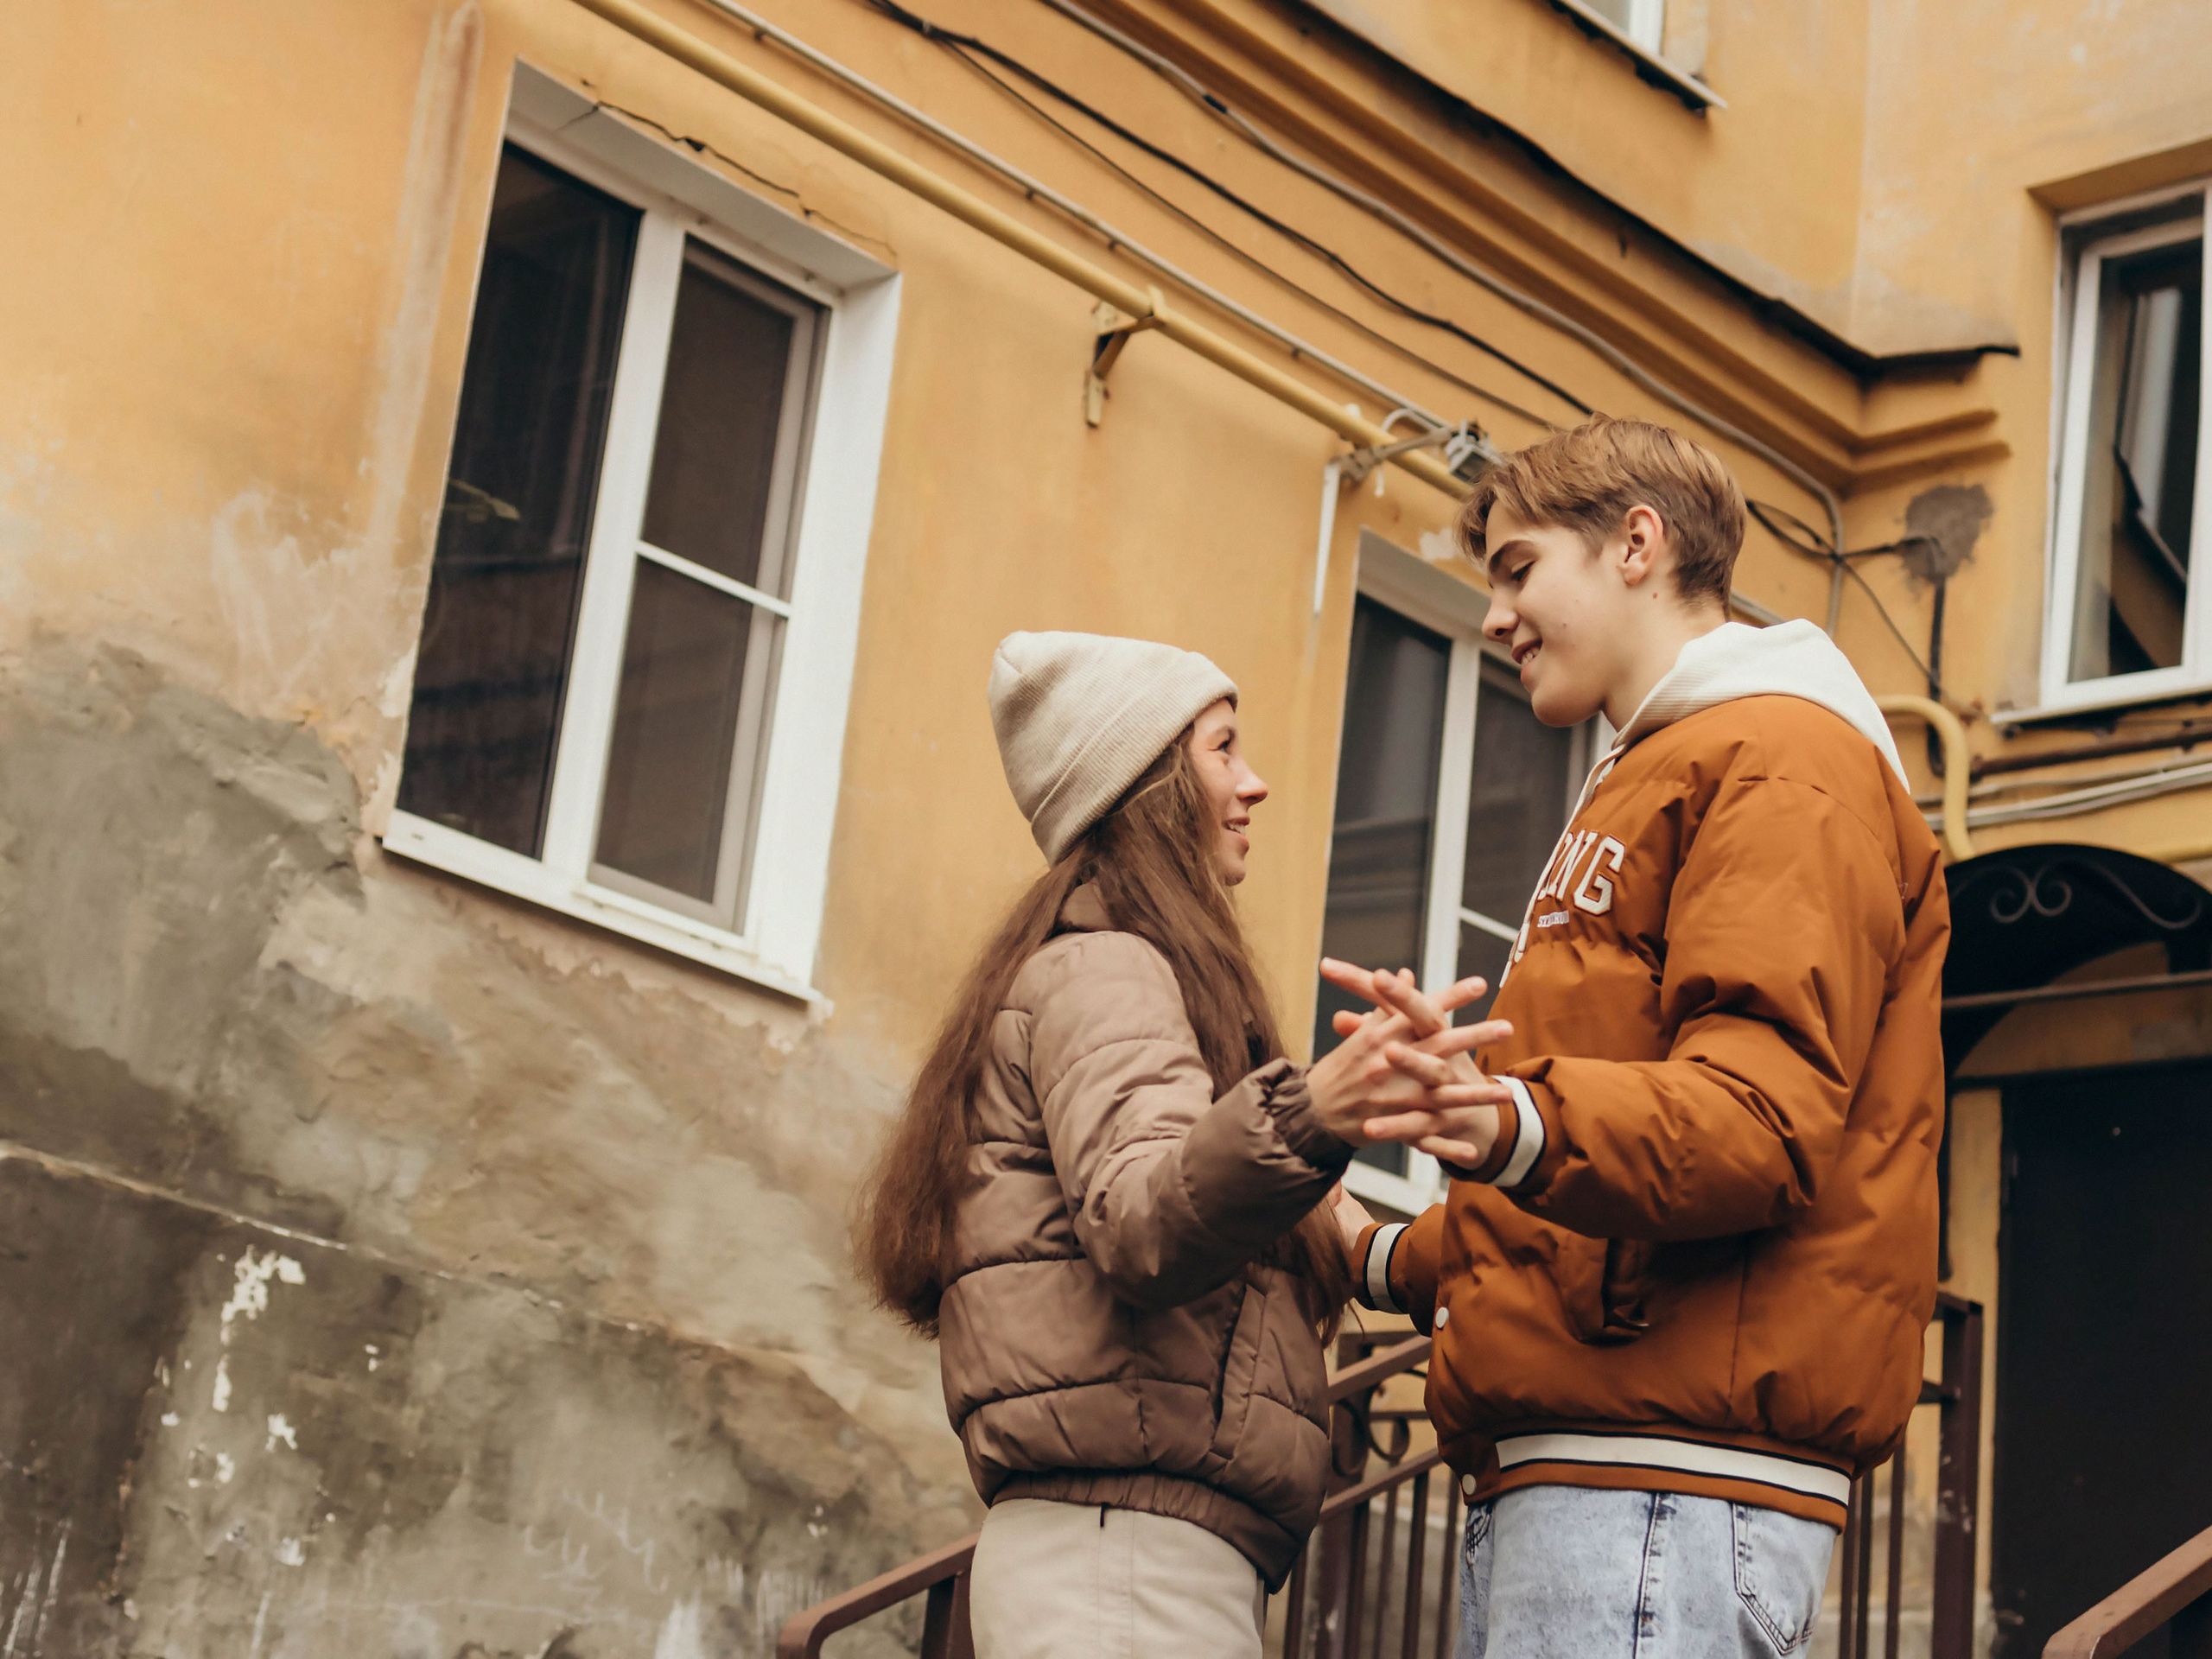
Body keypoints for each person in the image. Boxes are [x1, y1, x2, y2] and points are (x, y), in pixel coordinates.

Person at [1334, 417, 1949, 1658]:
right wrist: (1374, 1253)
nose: (1497, 617)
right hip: (1609, 1481)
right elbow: (1598, 1213)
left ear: (1636, 543)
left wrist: (1507, 1117)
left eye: (1516, 569)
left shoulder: (1784, 761)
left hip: (1663, 1492)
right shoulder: (1668, 764)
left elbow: (1761, 1128)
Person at [853, 631, 1505, 1659]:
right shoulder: (1107, 969)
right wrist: (1313, 1113)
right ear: (1150, 784)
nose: (1254, 784)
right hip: (1125, 1562)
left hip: (1145, 1553)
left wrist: (1440, 1233)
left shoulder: (1125, 971)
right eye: (1221, 750)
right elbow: (1142, 1218)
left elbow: (1240, 1214)